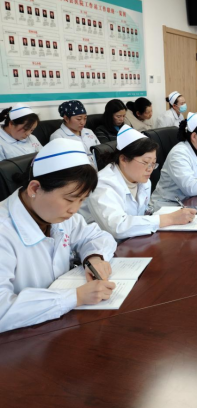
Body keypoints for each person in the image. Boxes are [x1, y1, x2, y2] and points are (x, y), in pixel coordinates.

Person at [0, 139, 117, 333]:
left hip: (60, 326)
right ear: (35, 189)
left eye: (82, 200)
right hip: (19, 338)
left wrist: (94, 257)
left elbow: (96, 236)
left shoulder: (57, 214)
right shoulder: (4, 231)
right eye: (70, 199)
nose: (75, 209)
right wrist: (74, 297)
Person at [80, 125, 196, 240]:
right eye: (145, 162)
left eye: (153, 163)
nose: (150, 169)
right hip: (103, 245)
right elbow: (117, 227)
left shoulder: (143, 181)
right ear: (123, 159)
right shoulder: (103, 184)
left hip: (134, 240)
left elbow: (140, 215)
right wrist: (170, 219)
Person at [50, 100, 100, 167]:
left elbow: (100, 151)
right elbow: (63, 162)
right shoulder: (58, 136)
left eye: (85, 118)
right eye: (79, 119)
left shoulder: (89, 132)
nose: (83, 122)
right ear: (66, 118)